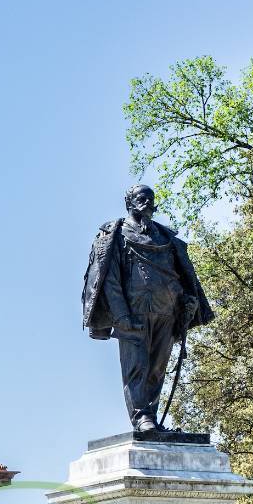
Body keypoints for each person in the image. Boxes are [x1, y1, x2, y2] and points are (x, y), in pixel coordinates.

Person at [81, 184, 214, 433]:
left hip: (167, 312)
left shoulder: (166, 238)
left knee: (157, 368)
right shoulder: (116, 236)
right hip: (133, 314)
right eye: (142, 198)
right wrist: (121, 315)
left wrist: (188, 299)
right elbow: (109, 280)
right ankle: (142, 417)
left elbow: (180, 275)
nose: (147, 203)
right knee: (137, 368)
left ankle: (151, 416)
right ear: (129, 202)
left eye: (150, 199)